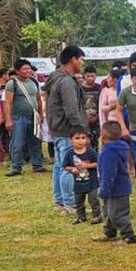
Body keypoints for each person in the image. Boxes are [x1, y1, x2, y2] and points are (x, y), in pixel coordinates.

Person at [43, 46, 88, 213]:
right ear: (73, 59)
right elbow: (71, 109)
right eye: (81, 59)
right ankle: (70, 204)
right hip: (67, 129)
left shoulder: (55, 77)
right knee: (69, 168)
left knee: (59, 166)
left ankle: (60, 201)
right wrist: (80, 129)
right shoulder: (67, 81)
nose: (82, 63)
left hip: (56, 128)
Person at [93, 121, 136, 244]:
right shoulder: (122, 147)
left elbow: (109, 174)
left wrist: (104, 190)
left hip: (116, 189)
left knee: (117, 214)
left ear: (103, 137)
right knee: (108, 211)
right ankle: (109, 232)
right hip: (117, 187)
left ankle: (128, 235)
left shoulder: (108, 153)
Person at [4, 59, 45, 177]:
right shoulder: (12, 84)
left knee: (35, 141)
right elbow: (8, 103)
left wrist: (40, 114)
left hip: (33, 116)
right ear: (17, 71)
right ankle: (16, 167)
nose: (28, 71)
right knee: (18, 143)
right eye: (24, 69)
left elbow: (38, 100)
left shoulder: (34, 82)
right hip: (18, 117)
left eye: (29, 68)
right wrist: (8, 119)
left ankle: (37, 165)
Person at [64, 130, 101, 225]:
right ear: (70, 140)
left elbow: (97, 163)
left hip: (92, 182)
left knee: (93, 200)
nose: (80, 141)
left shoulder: (91, 152)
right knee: (79, 201)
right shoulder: (69, 153)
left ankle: (96, 216)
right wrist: (72, 169)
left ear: (87, 140)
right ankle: (81, 216)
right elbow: (65, 166)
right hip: (78, 183)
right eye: (77, 138)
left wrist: (87, 166)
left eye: (83, 138)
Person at [80, 66, 101, 151]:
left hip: (96, 120)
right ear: (84, 76)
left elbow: (102, 103)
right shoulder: (80, 88)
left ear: (96, 76)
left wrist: (98, 116)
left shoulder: (99, 88)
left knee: (95, 141)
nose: (90, 78)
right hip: (83, 119)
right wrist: (85, 116)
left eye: (92, 76)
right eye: (88, 76)